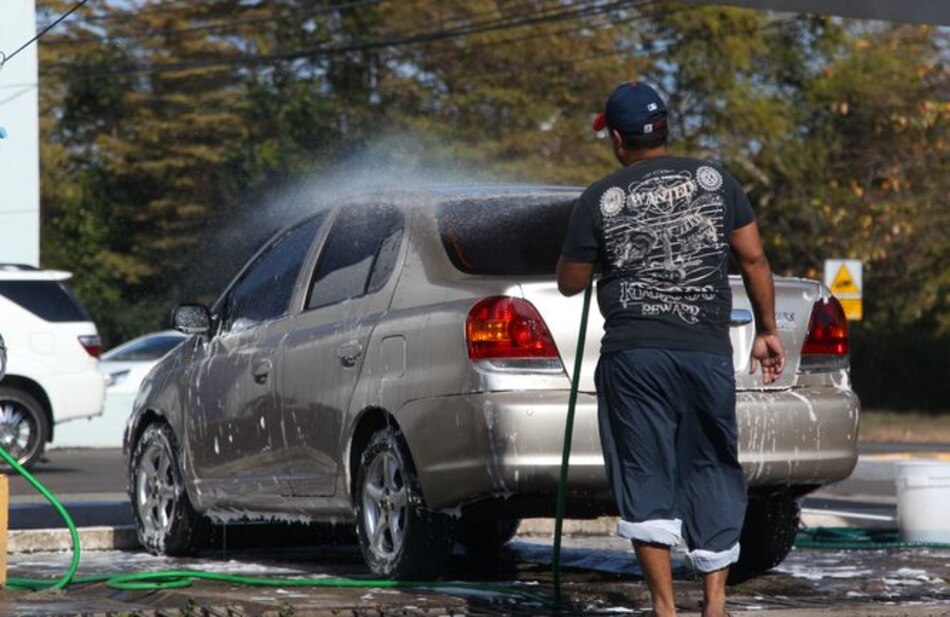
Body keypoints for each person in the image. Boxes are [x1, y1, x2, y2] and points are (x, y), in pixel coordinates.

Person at [557, 82, 786, 617]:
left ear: (617, 138)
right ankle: (715, 601)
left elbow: (570, 282)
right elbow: (753, 260)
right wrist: (766, 330)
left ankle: (664, 609)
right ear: (663, 131)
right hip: (705, 354)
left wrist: (584, 250)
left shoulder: (600, 198)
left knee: (644, 470)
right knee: (710, 465)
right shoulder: (716, 181)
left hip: (634, 358)